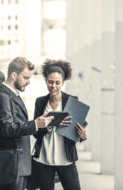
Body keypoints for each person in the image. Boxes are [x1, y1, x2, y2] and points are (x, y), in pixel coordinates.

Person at [0, 57, 54, 190]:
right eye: (25, 77)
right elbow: (6, 129)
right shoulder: (2, 96)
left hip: (19, 164)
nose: (29, 82)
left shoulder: (13, 95)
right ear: (14, 75)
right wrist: (35, 124)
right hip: (11, 165)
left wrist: (41, 125)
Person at [32, 59, 87, 190]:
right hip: (44, 160)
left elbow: (77, 131)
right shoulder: (40, 102)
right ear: (46, 81)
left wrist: (82, 136)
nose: (53, 86)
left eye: (57, 83)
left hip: (66, 159)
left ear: (63, 83)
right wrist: (50, 124)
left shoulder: (72, 101)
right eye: (50, 82)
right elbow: (35, 132)